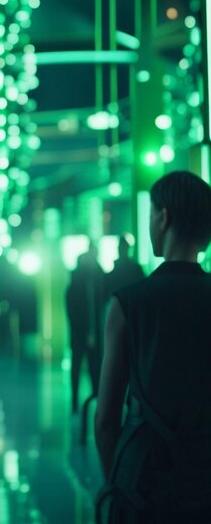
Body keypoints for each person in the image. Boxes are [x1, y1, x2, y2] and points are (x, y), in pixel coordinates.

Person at [95, 171, 211, 523]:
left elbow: (105, 418)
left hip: (143, 478)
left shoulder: (127, 304)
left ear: (163, 218)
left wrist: (117, 482)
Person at [65, 242, 106, 413]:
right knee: (90, 366)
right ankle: (89, 397)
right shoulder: (90, 281)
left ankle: (85, 398)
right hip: (87, 332)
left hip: (85, 332)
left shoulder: (79, 283)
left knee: (84, 366)